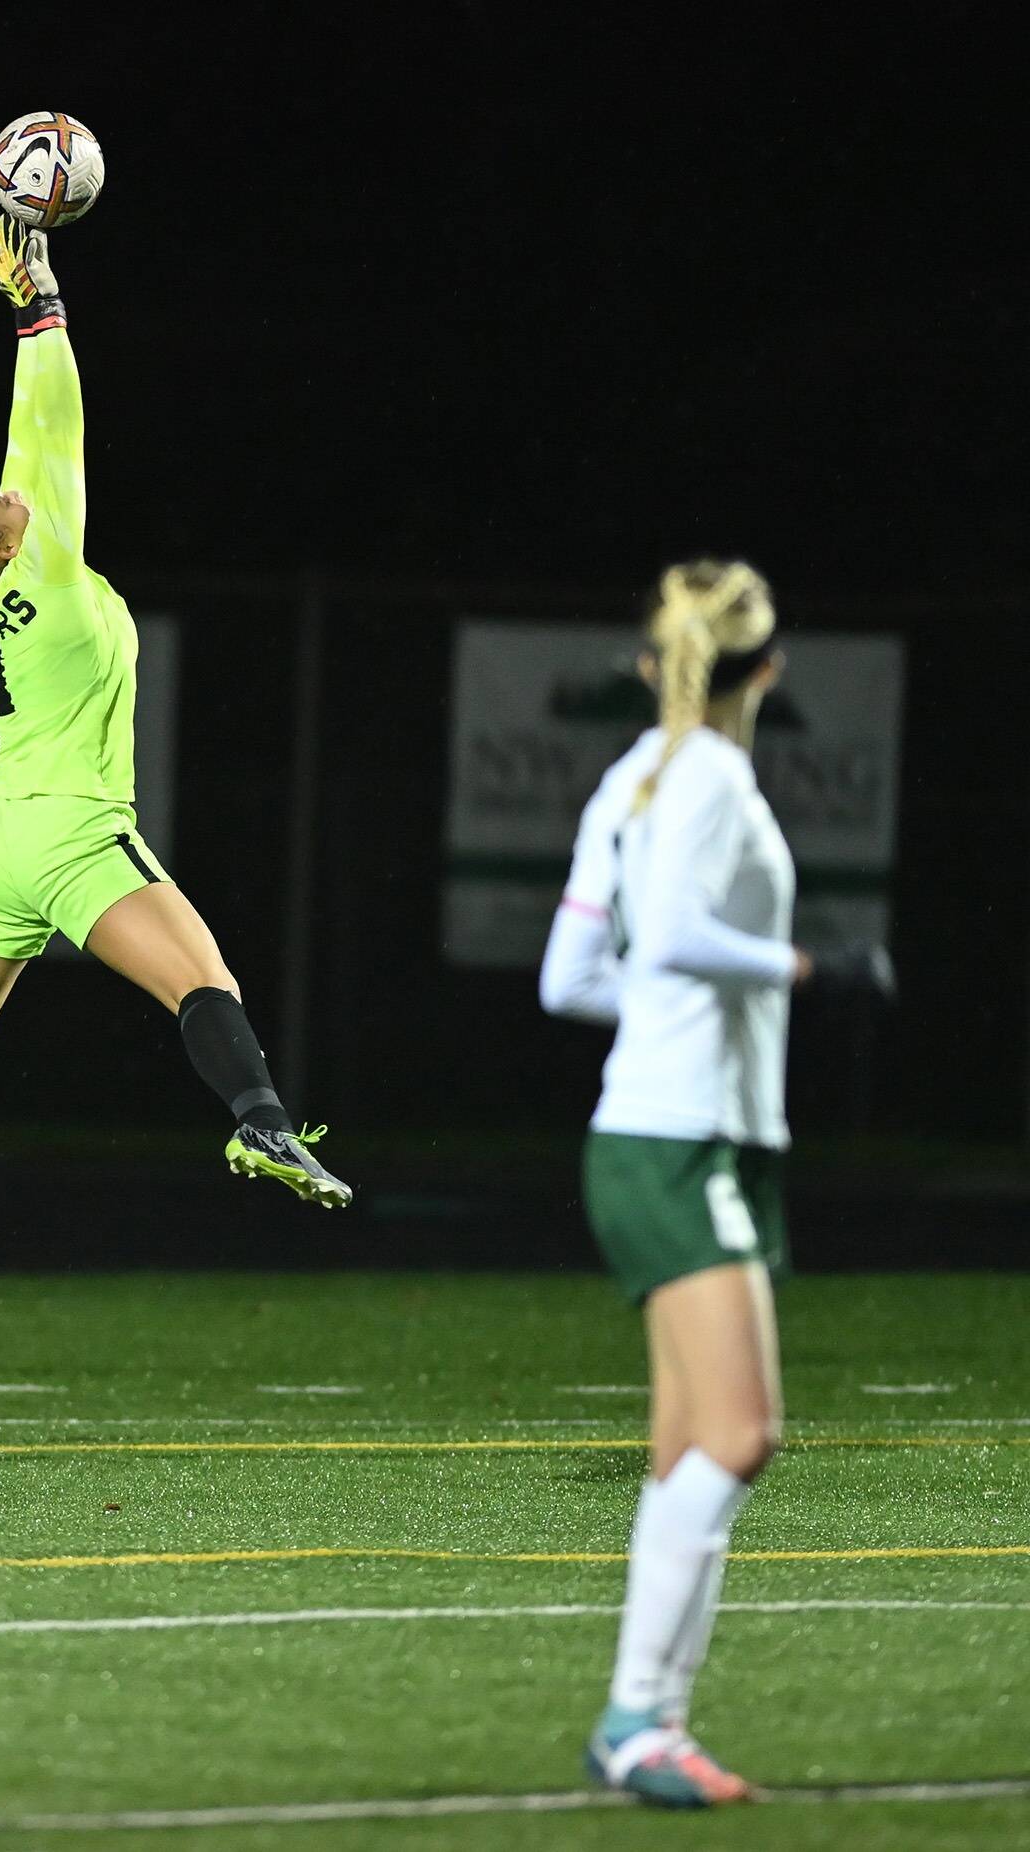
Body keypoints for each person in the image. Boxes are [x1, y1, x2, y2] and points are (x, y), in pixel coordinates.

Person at [0, 218, 351, 1361]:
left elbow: (30, 449)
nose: (14, 492)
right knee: (204, 976)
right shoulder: (42, 564)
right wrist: (35, 303)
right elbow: (49, 419)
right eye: (1, 503)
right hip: (66, 832)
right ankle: (258, 1123)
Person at [540, 560, 894, 1807]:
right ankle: (636, 1713)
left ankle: (646, 1729)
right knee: (740, 1436)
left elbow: (567, 975)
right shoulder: (708, 777)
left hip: (670, 1132)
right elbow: (682, 932)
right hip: (676, 1139)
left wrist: (663, 1012)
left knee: (685, 1444)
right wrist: (807, 966)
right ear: (764, 671)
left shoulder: (630, 780)